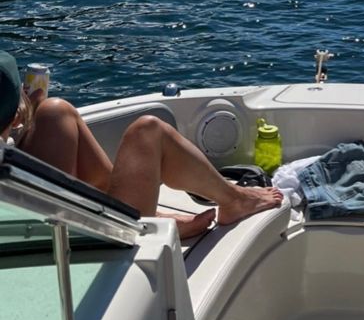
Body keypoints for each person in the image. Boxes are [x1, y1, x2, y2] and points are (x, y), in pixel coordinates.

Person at [0, 52, 283, 238]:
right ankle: (234, 200)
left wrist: (28, 115)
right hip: (80, 245)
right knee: (148, 131)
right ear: (14, 116)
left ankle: (150, 213)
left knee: (55, 113)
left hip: (31, 233)